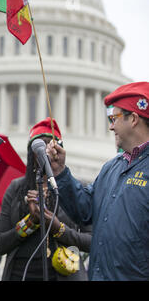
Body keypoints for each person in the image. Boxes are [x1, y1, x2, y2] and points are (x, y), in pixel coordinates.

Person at [46, 82, 149, 281]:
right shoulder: (112, 168)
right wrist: (60, 173)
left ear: (134, 119)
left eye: (114, 118)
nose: (111, 126)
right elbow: (85, 211)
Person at [0, 118, 91, 281]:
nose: (45, 151)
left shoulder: (76, 188)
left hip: (64, 274)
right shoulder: (16, 188)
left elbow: (91, 241)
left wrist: (57, 228)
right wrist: (30, 222)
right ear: (30, 153)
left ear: (59, 150)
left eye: (51, 145)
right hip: (21, 274)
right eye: (38, 145)